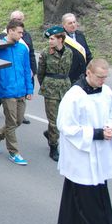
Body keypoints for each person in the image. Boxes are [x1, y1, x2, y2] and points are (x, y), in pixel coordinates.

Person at [56, 59, 112, 224]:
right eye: (100, 77)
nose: (103, 81)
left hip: (100, 153)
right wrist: (97, 133)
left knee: (92, 191)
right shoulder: (74, 95)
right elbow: (65, 126)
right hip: (81, 155)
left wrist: (111, 129)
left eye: (105, 77)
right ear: (88, 73)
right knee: (86, 198)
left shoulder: (106, 92)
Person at [0, 19, 33, 165]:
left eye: (22, 33)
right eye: (19, 32)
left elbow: (27, 70)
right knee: (11, 122)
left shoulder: (22, 49)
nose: (21, 35)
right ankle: (14, 152)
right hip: (7, 91)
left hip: (21, 91)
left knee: (18, 121)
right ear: (10, 31)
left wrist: (29, 89)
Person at [0, 10, 36, 125]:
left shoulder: (26, 35)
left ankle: (0, 133)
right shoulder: (3, 37)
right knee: (11, 123)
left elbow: (30, 52)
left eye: (20, 20)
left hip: (20, 82)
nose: (18, 21)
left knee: (17, 120)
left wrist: (33, 69)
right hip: (7, 85)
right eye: (15, 20)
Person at [37, 25, 73, 162]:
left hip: (65, 88)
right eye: (49, 39)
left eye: (52, 39)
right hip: (51, 89)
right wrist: (46, 86)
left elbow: (69, 69)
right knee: (54, 122)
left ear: (61, 39)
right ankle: (53, 147)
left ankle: (50, 134)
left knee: (64, 119)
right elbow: (41, 73)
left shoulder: (69, 52)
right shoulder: (46, 53)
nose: (50, 41)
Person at [62, 13, 93, 83]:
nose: (73, 25)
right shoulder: (60, 38)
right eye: (70, 23)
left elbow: (88, 54)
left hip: (82, 75)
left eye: (74, 22)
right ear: (64, 25)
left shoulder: (80, 35)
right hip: (68, 77)